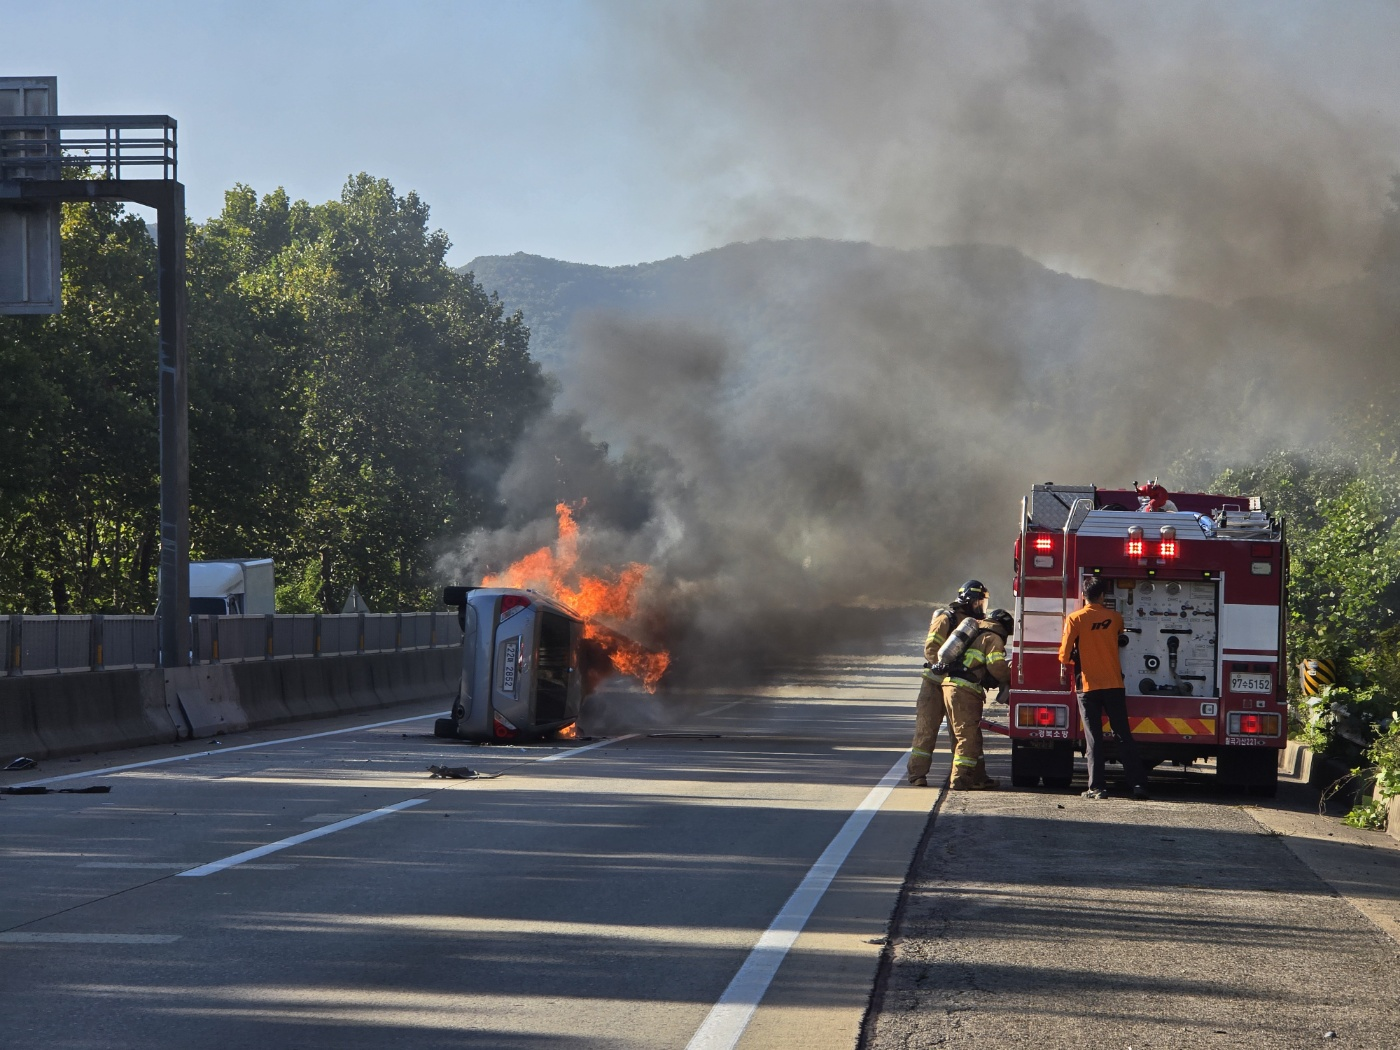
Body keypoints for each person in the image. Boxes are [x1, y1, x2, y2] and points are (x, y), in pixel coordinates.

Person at [1059, 576, 1149, 800]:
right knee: (1123, 736)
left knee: (1094, 738)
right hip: (1114, 685)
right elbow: (1118, 635)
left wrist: (1079, 661)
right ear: (1102, 596)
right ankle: (1138, 785)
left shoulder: (1075, 619)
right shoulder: (1114, 618)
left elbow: (1063, 656)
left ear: (1083, 596)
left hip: (1088, 687)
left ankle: (1097, 787)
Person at [907, 580, 988, 786]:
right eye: (979, 603)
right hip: (934, 684)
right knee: (926, 730)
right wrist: (941, 665)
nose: (981, 607)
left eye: (983, 603)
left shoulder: (974, 624)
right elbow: (931, 647)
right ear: (968, 601)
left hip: (957, 686)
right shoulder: (946, 618)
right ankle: (917, 775)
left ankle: (974, 777)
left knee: (965, 733)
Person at [942, 607, 1013, 789]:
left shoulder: (976, 634)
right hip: (965, 691)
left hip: (951, 686)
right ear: (1004, 628)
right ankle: (960, 779)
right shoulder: (993, 638)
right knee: (967, 737)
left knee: (970, 735)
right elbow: (996, 667)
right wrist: (1010, 676)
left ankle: (979, 777)